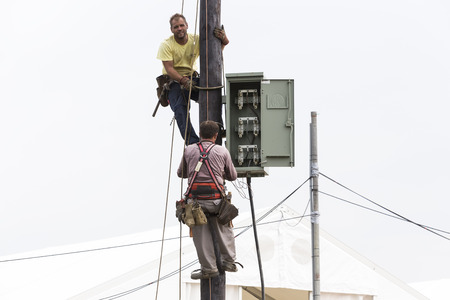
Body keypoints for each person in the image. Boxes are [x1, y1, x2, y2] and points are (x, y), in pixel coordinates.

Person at [177, 120, 238, 280]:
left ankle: (209, 268)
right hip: (216, 200)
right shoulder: (222, 151)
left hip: (195, 202)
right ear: (216, 135)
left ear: (200, 134)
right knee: (224, 227)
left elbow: (180, 173)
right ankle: (229, 261)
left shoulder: (189, 150)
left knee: (200, 233)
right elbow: (232, 176)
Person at [157, 13, 229, 145]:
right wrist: (183, 81)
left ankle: (218, 129)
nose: (179, 29)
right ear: (171, 30)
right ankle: (193, 142)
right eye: (176, 27)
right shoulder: (167, 45)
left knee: (213, 93)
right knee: (179, 108)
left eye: (181, 25)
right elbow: (169, 69)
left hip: (192, 79)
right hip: (174, 82)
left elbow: (215, 53)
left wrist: (224, 40)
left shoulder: (196, 40)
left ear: (187, 26)